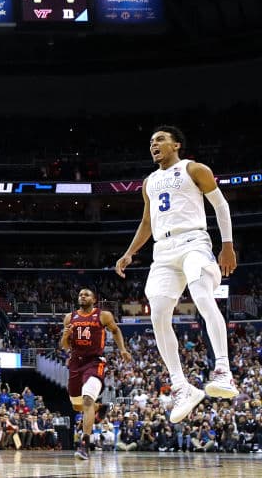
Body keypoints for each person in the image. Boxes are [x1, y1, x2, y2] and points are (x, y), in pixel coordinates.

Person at [115, 125, 239, 423]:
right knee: (157, 313)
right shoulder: (149, 181)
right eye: (150, 142)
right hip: (163, 251)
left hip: (193, 241)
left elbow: (221, 207)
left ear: (176, 145)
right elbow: (147, 221)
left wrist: (227, 246)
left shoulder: (194, 169)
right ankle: (182, 387)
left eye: (160, 140)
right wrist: (130, 252)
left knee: (201, 295)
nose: (153, 145)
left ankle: (223, 370)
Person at [60, 287, 130, 460]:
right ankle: (100, 408)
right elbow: (65, 346)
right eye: (80, 295)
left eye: (86, 294)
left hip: (94, 362)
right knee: (77, 406)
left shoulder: (103, 315)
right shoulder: (69, 318)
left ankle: (84, 444)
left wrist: (122, 350)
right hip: (76, 363)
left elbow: (115, 330)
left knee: (87, 400)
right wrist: (65, 335)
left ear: (94, 299)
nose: (82, 296)